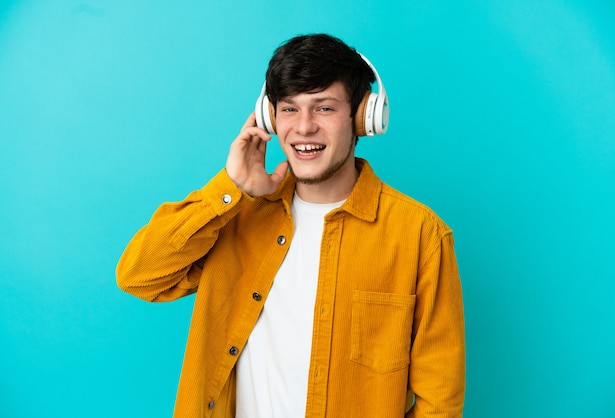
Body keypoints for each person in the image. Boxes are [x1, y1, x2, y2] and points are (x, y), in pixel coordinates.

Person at [117, 33, 465, 418]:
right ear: (269, 117)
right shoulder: (234, 214)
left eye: (324, 109)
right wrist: (230, 190)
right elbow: (139, 276)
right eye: (288, 109)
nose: (303, 128)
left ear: (364, 118)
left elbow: (440, 399)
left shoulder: (420, 234)